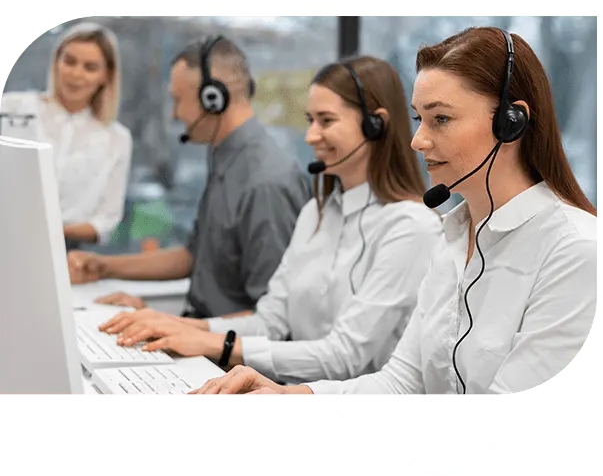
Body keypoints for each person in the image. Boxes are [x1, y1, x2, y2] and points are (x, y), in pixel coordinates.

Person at [185, 27, 597, 396]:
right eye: (420, 119)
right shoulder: (453, 238)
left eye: (440, 119)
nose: (417, 140)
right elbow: (400, 381)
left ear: (512, 123)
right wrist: (288, 397)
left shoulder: (575, 251)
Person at [97, 56, 444, 385]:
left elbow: (345, 355)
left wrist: (219, 346)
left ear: (375, 125)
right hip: (284, 391)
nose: (311, 136)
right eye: (310, 121)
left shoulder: (411, 228)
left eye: (326, 120)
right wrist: (177, 326)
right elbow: (271, 321)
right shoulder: (315, 214)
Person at [67, 35, 312, 319]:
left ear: (213, 99)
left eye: (177, 99)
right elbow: (194, 257)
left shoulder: (265, 183)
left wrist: (168, 324)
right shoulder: (226, 157)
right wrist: (103, 266)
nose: (174, 114)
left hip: (229, 359)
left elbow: (275, 320)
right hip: (202, 334)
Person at [0, 22, 132, 250]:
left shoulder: (117, 139)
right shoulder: (11, 107)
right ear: (56, 62)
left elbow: (106, 221)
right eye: (69, 61)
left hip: (64, 251)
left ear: (106, 75)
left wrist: (50, 231)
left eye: (90, 67)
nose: (76, 74)